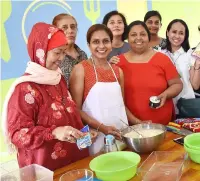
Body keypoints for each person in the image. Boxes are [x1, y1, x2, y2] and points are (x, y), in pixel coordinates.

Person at [1, 22, 90, 171]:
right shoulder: (25, 88)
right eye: (57, 52)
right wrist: (54, 132)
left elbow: (69, 114)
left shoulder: (58, 78)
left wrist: (83, 135)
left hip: (72, 161)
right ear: (40, 51)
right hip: (44, 169)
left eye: (64, 52)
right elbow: (18, 134)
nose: (61, 58)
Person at [69, 24, 129, 155]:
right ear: (88, 45)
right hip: (95, 138)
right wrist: (102, 128)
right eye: (96, 42)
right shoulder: (81, 69)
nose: (101, 46)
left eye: (106, 41)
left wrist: (139, 124)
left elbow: (122, 106)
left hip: (120, 136)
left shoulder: (118, 71)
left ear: (111, 43)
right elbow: (75, 110)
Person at [115, 21, 183, 125]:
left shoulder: (162, 59)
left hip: (162, 125)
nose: (138, 38)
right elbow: (116, 99)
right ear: (127, 38)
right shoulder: (117, 62)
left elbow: (177, 84)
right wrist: (137, 122)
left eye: (143, 34)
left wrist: (166, 94)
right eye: (133, 35)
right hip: (130, 127)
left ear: (148, 37)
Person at [160, 19, 195, 113]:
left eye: (181, 33)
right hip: (165, 102)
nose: (177, 36)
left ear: (185, 36)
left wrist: (198, 65)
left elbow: (195, 84)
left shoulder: (190, 54)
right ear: (167, 32)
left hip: (186, 103)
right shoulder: (159, 54)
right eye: (174, 32)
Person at [52, 14, 88, 87]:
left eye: (73, 27)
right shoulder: (53, 57)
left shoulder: (83, 54)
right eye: (64, 27)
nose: (70, 31)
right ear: (56, 31)